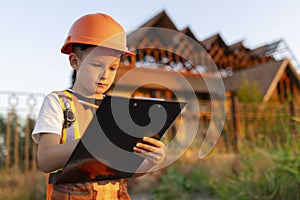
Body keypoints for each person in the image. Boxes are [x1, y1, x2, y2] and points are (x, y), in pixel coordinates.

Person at [32, 13, 165, 200]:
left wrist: (151, 161)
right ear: (75, 61)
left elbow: (125, 170)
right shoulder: (58, 103)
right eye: (96, 65)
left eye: (112, 68)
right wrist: (92, 144)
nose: (105, 75)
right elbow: (45, 159)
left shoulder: (117, 110)